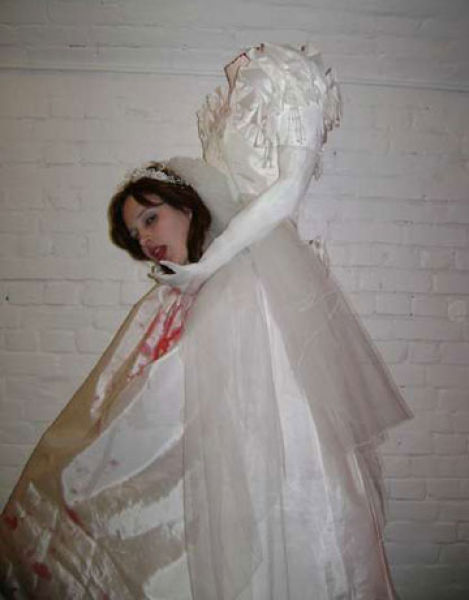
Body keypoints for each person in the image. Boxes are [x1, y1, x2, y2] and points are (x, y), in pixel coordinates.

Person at [0, 43, 412, 599]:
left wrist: (209, 266)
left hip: (259, 286)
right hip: (229, 284)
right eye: (136, 234)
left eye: (150, 218)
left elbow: (289, 189)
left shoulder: (280, 74)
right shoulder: (189, 287)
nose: (144, 240)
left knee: (290, 463)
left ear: (186, 206)